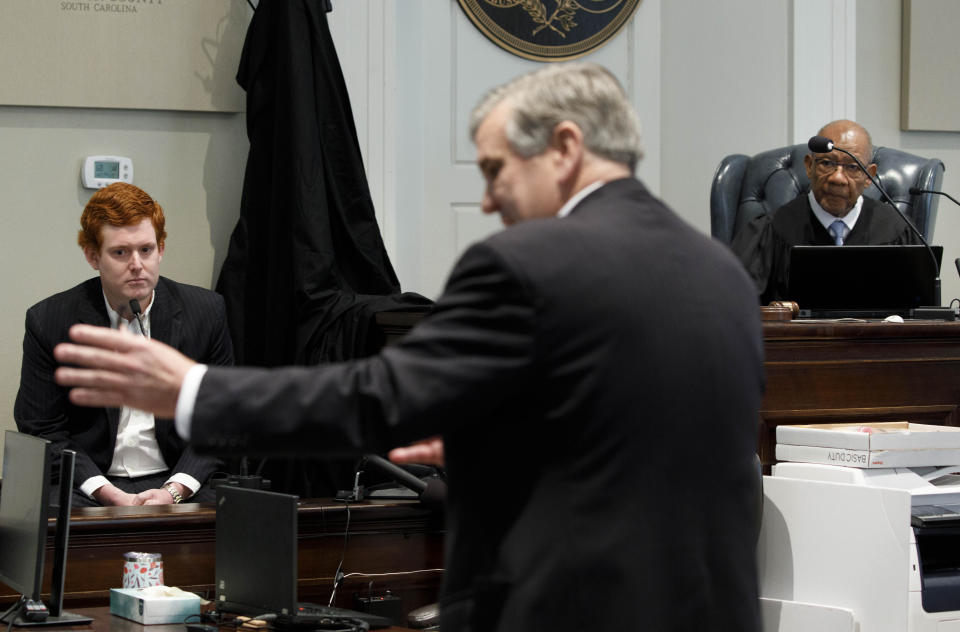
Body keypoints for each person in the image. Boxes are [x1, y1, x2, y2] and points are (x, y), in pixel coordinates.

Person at [54, 64, 764, 631]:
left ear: (567, 148)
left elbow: (375, 399)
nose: (488, 201)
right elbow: (629, 441)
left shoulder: (529, 263)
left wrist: (193, 391)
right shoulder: (720, 272)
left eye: (495, 170)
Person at [15, 182, 234, 507]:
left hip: (180, 476)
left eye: (146, 250)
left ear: (161, 249)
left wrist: (173, 491)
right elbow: (42, 430)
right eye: (120, 252)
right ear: (93, 256)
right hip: (88, 483)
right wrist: (109, 494)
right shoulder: (49, 321)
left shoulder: (206, 312)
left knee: (238, 510)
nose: (136, 264)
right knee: (49, 516)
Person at [731, 119, 922, 303]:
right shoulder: (770, 231)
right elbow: (736, 309)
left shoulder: (898, 231)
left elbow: (920, 311)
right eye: (827, 163)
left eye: (852, 167)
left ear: (869, 176)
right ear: (809, 166)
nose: (837, 178)